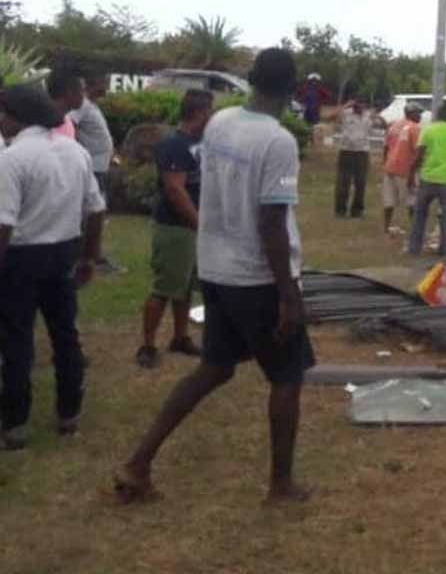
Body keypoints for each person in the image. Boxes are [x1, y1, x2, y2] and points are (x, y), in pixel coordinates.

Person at [115, 48, 313, 504]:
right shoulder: (279, 141)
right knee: (287, 376)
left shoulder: (220, 122)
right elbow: (271, 222)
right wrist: (288, 295)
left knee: (215, 368)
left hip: (215, 269)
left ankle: (138, 464)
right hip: (257, 277)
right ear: (291, 89)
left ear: (252, 80)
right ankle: (281, 486)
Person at [0, 83, 106, 450]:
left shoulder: (12, 158)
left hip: (20, 258)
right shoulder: (75, 151)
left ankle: (15, 424)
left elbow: (4, 224)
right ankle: (68, 413)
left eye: (2, 113)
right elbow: (96, 209)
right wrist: (89, 257)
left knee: (17, 340)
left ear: (17, 116)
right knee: (64, 334)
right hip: (63, 253)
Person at [135, 89, 214, 369]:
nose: (213, 117)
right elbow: (174, 189)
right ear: (200, 113)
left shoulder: (199, 143)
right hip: (175, 228)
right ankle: (147, 346)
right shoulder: (174, 145)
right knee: (165, 288)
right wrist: (199, 223)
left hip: (193, 227)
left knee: (185, 287)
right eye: (211, 112)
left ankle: (180, 338)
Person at [407, 101, 446, 261]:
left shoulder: (428, 131)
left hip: (428, 179)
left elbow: (418, 156)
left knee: (419, 214)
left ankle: (414, 248)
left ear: (437, 115)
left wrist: (411, 174)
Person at [72, 73, 121, 273]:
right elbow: (70, 125)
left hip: (100, 166)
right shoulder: (82, 105)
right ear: (94, 84)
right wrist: (77, 150)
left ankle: (91, 255)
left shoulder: (92, 105)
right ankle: (92, 257)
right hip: (92, 167)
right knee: (94, 212)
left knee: (98, 210)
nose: (107, 88)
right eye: (104, 84)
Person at [331, 97, 379, 219]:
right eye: (357, 105)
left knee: (360, 183)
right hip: (346, 151)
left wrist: (375, 116)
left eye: (362, 104)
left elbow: (381, 125)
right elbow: (331, 116)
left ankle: (357, 211)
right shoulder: (346, 113)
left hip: (362, 152)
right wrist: (346, 105)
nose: (359, 107)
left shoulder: (368, 115)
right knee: (343, 183)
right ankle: (340, 210)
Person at [382, 102, 424, 236]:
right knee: (412, 200)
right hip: (405, 168)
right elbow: (418, 151)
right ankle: (415, 230)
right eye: (418, 113)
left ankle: (386, 227)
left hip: (390, 167)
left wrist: (385, 163)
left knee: (389, 199)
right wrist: (414, 172)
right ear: (411, 114)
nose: (420, 116)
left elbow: (386, 147)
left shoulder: (394, 125)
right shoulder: (415, 128)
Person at [45, 69, 83, 139]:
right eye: (82, 91)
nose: (83, 96)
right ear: (70, 92)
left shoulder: (67, 122)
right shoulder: (42, 122)